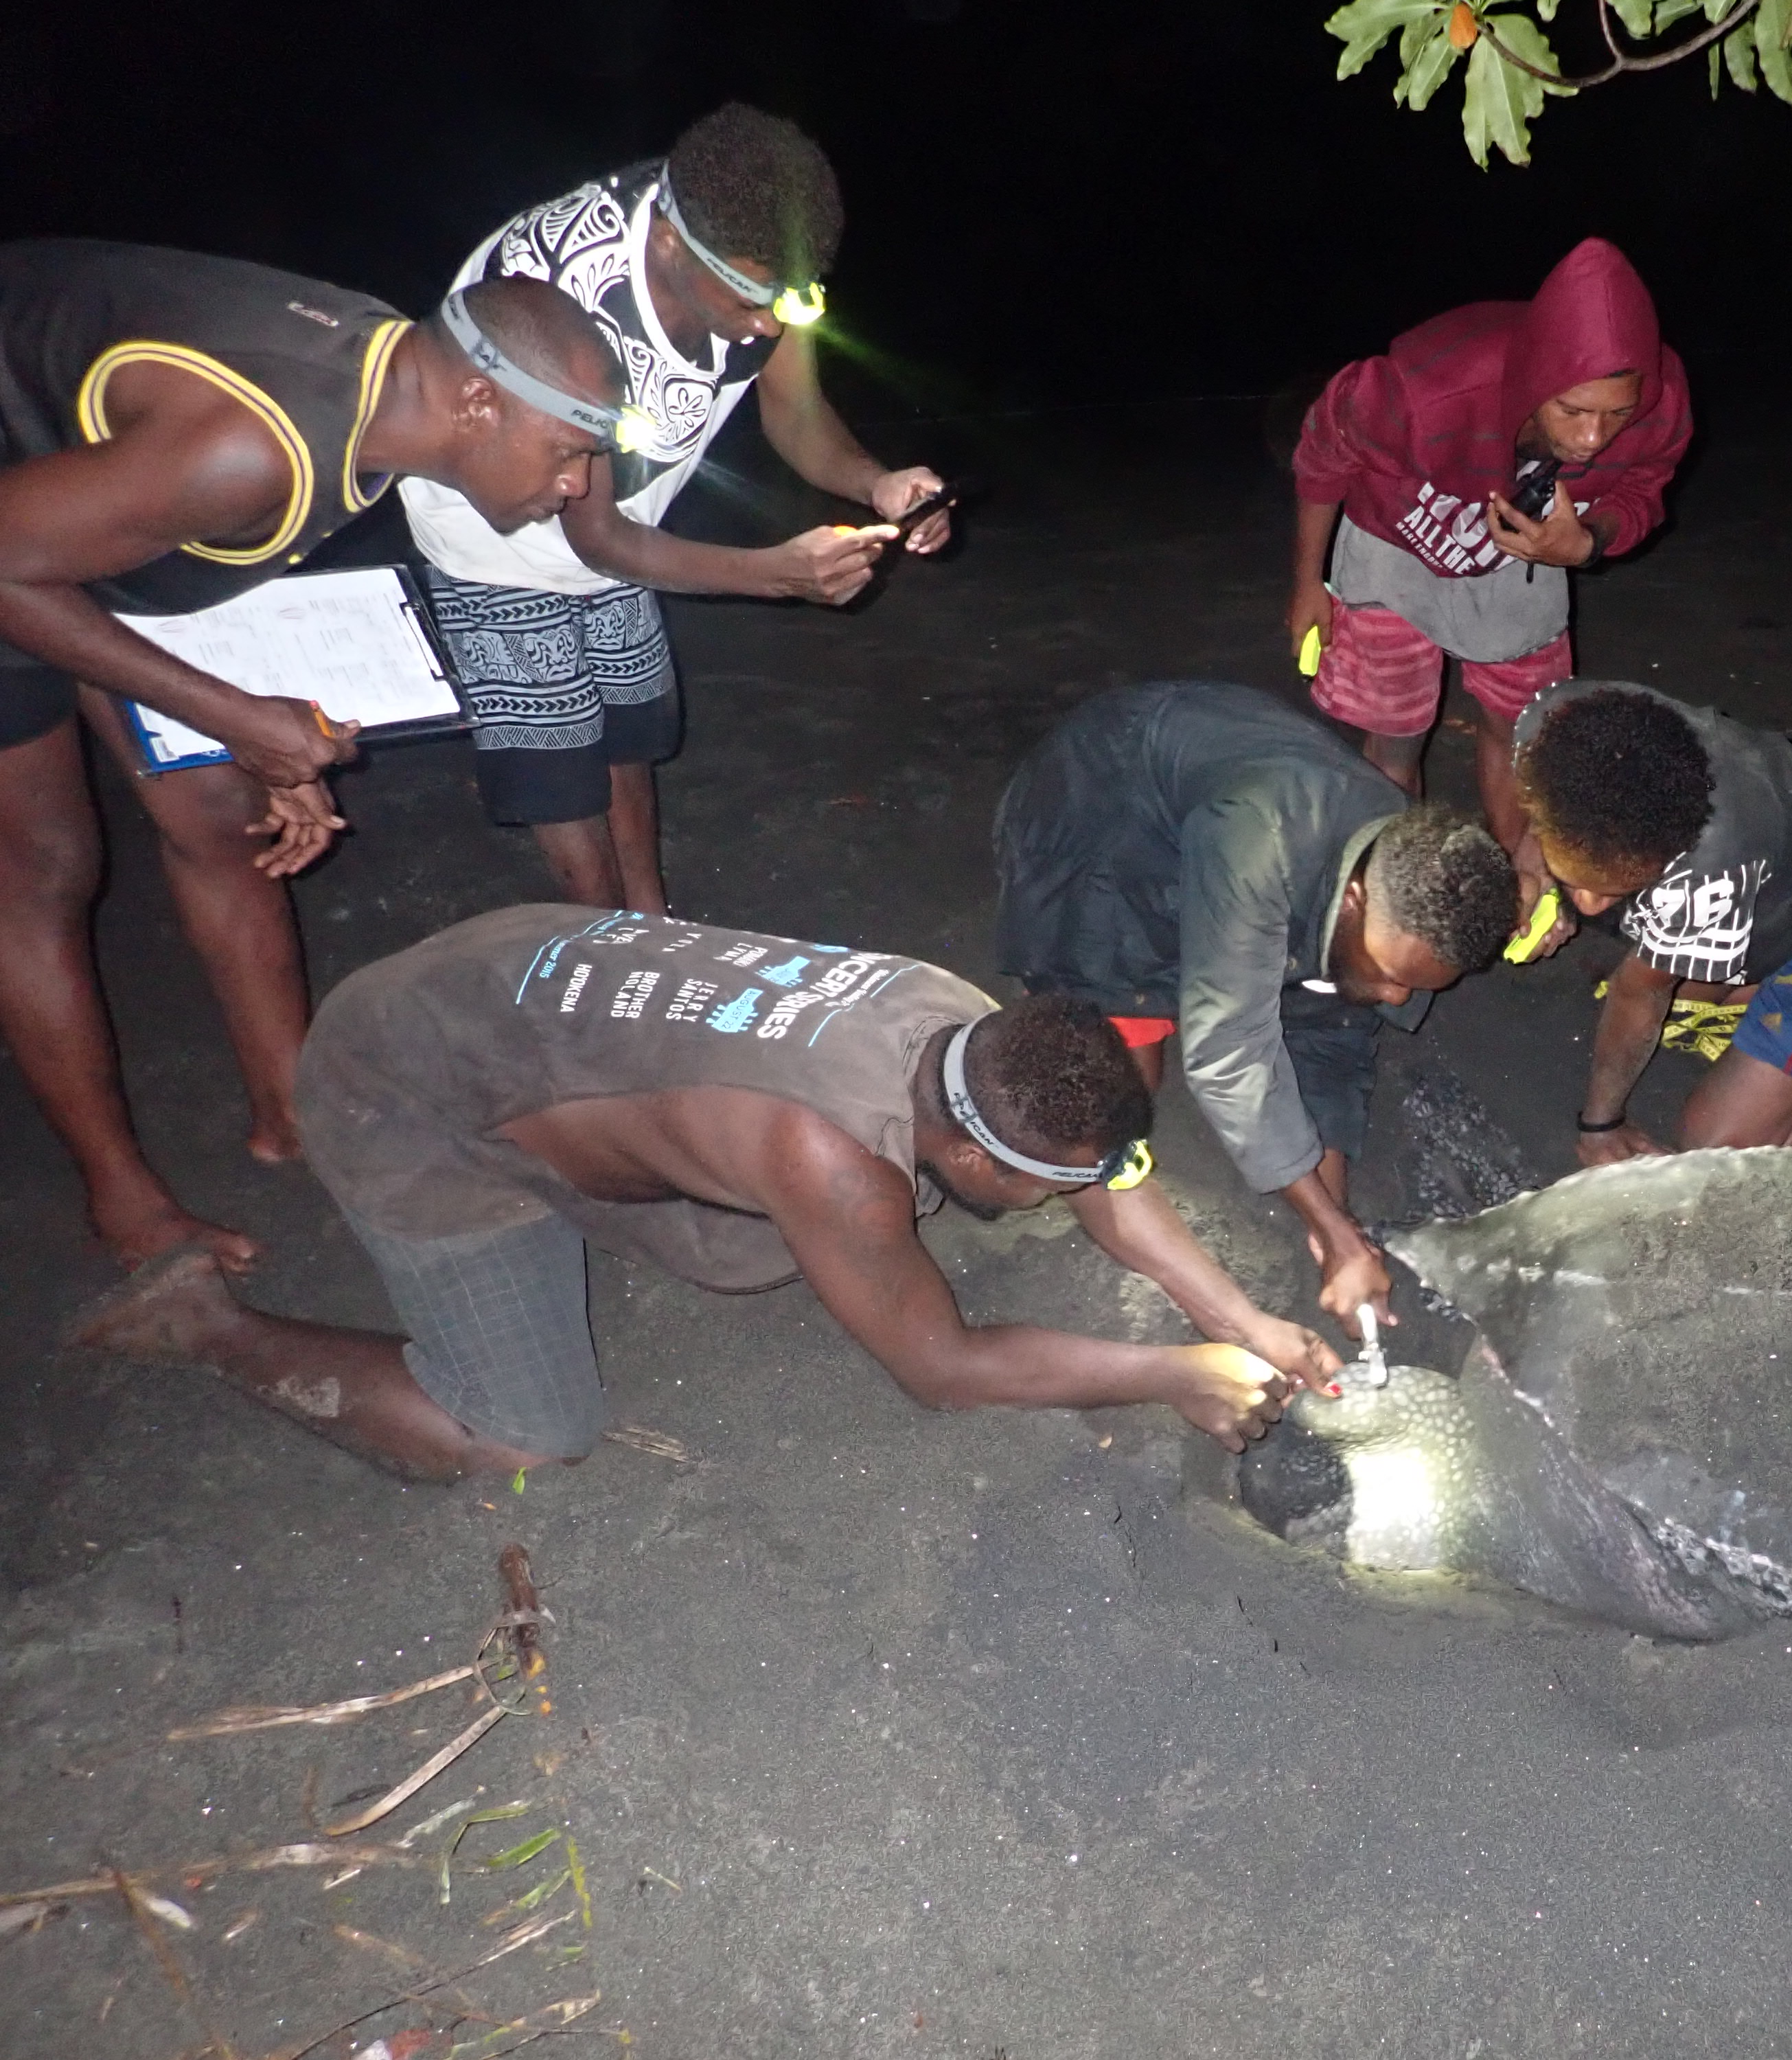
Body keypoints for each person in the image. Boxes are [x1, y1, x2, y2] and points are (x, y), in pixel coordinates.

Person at [71, 904, 1347, 1480]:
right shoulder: (830, 1159)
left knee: (764, 1252)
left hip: (510, 968)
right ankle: (202, 1324)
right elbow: (941, 1370)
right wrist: (1171, 1372)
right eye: (1038, 1191)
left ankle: (601, 1178)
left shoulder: (977, 1035)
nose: (1065, 1202)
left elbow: (1105, 1182)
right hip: (403, 1084)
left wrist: (1241, 1321)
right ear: (967, 1156)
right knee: (527, 1434)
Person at [0, 243, 626, 1270]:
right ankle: (123, 1200)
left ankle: (292, 1115)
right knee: (44, 867)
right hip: (17, 537)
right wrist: (235, 714)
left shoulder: (384, 387)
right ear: (477, 405)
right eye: (567, 450)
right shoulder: (247, 449)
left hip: (78, 496)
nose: (576, 483)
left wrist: (245, 724)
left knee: (219, 813)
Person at [402, 102, 954, 919]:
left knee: (628, 740)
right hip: (496, 532)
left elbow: (795, 413)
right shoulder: (567, 303)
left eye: (792, 302)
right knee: (564, 772)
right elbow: (596, 538)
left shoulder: (754, 257)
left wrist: (876, 484)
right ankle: (604, 956)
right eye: (751, 298)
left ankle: (655, 931)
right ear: (667, 240)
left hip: (626, 520)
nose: (771, 322)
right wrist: (774, 577)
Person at [993, 681, 1516, 1327]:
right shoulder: (1259, 845)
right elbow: (1228, 1054)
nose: (1395, 996)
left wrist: (1332, 1226)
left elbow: (1329, 1039)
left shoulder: (1400, 869)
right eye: (1387, 974)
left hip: (1220, 824)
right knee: (1114, 1099)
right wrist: (1332, 1227)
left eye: (1413, 987)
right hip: (1105, 811)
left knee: (1313, 995)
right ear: (1352, 898)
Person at [1287, 237, 1691, 856]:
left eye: (1617, 414)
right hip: (1397, 537)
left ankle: (1526, 883)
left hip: (1529, 552)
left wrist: (1585, 545)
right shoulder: (1420, 394)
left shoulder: (1660, 406)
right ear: (1535, 381)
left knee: (1520, 730)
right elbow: (1323, 455)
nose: (1593, 439)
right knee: (1395, 737)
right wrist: (1307, 583)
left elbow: (1644, 489)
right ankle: (1403, 883)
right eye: (1573, 410)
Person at [1505, 681, 1792, 1162]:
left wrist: (1601, 1124)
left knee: (1717, 1147)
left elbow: (1639, 991)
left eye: (1610, 891)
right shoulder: (1558, 725)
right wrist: (1531, 870)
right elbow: (1537, 805)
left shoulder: (1713, 866)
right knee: (1680, 1004)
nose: (1584, 905)